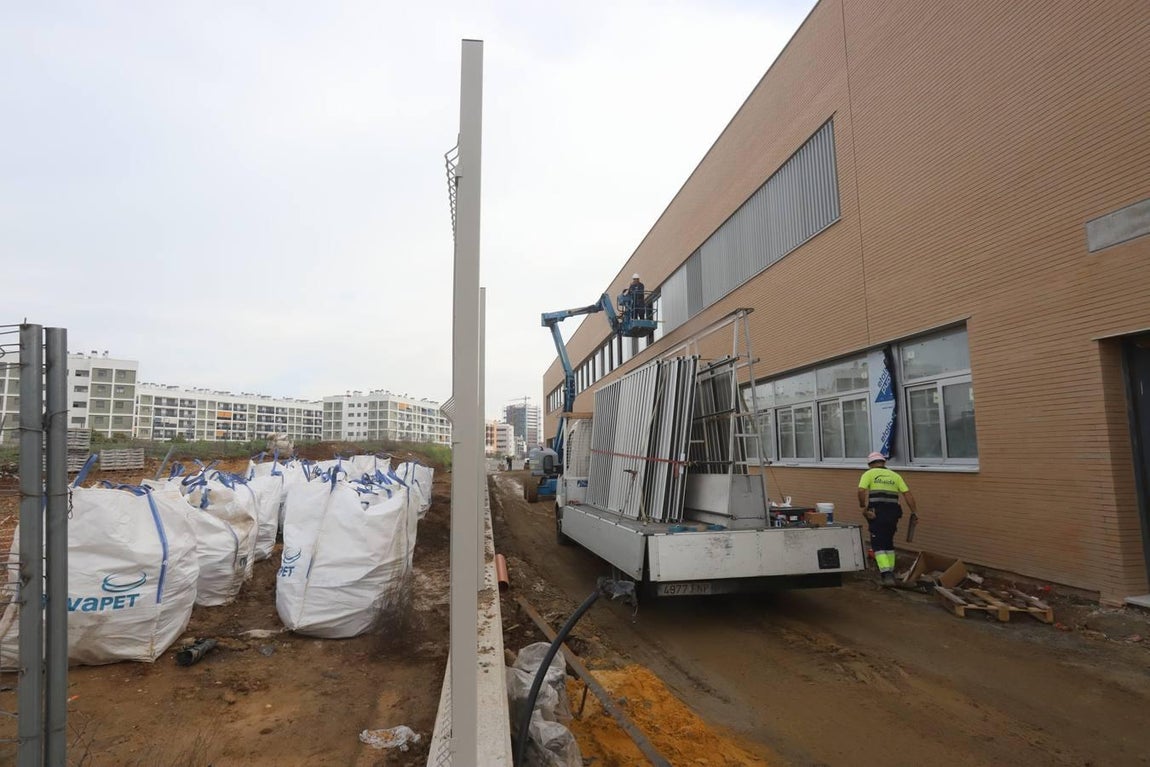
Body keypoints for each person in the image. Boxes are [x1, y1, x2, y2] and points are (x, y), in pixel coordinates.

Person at [857, 451, 919, 587]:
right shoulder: (895, 476)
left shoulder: (869, 474)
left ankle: (886, 574)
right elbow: (907, 494)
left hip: (877, 513)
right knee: (888, 543)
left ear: (870, 464)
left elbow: (861, 491)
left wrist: (863, 505)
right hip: (893, 514)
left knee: (878, 545)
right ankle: (890, 571)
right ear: (883, 463)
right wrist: (914, 512)